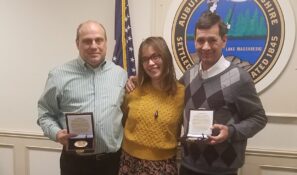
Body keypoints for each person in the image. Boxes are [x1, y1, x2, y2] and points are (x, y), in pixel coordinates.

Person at [179, 11, 267, 175]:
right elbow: (165, 93)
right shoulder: (188, 75)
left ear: (224, 41)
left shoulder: (240, 78)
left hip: (222, 170)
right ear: (195, 42)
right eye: (200, 41)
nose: (206, 46)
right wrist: (138, 82)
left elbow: (259, 118)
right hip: (188, 165)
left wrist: (231, 131)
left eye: (212, 40)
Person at [37, 20, 127, 175]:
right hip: (76, 163)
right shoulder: (59, 75)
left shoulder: (120, 75)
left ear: (105, 43)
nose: (94, 46)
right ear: (77, 44)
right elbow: (44, 114)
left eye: (99, 40)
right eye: (87, 41)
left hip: (112, 162)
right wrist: (57, 134)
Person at [118, 37, 185, 175]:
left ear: (166, 57)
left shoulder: (181, 93)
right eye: (145, 59)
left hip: (163, 166)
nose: (151, 63)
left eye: (156, 56)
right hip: (130, 162)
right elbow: (122, 120)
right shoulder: (133, 89)